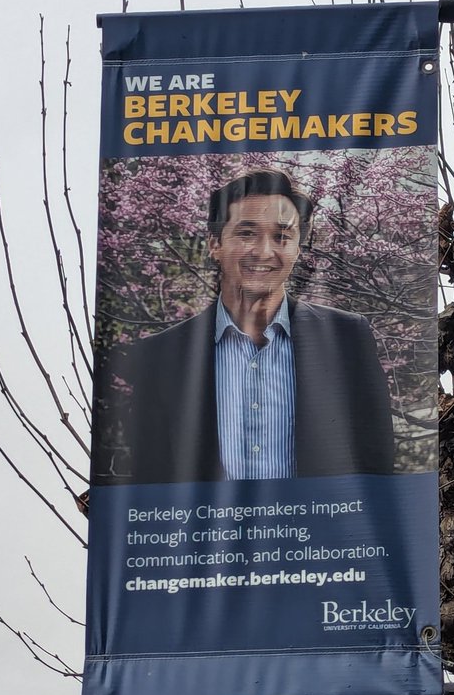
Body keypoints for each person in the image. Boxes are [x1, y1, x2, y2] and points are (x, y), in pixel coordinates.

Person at [122, 168, 395, 484]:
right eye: (246, 233)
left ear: (298, 249)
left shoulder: (346, 338)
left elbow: (377, 466)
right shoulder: (161, 355)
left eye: (282, 236)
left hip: (320, 529)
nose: (264, 252)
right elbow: (150, 476)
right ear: (214, 244)